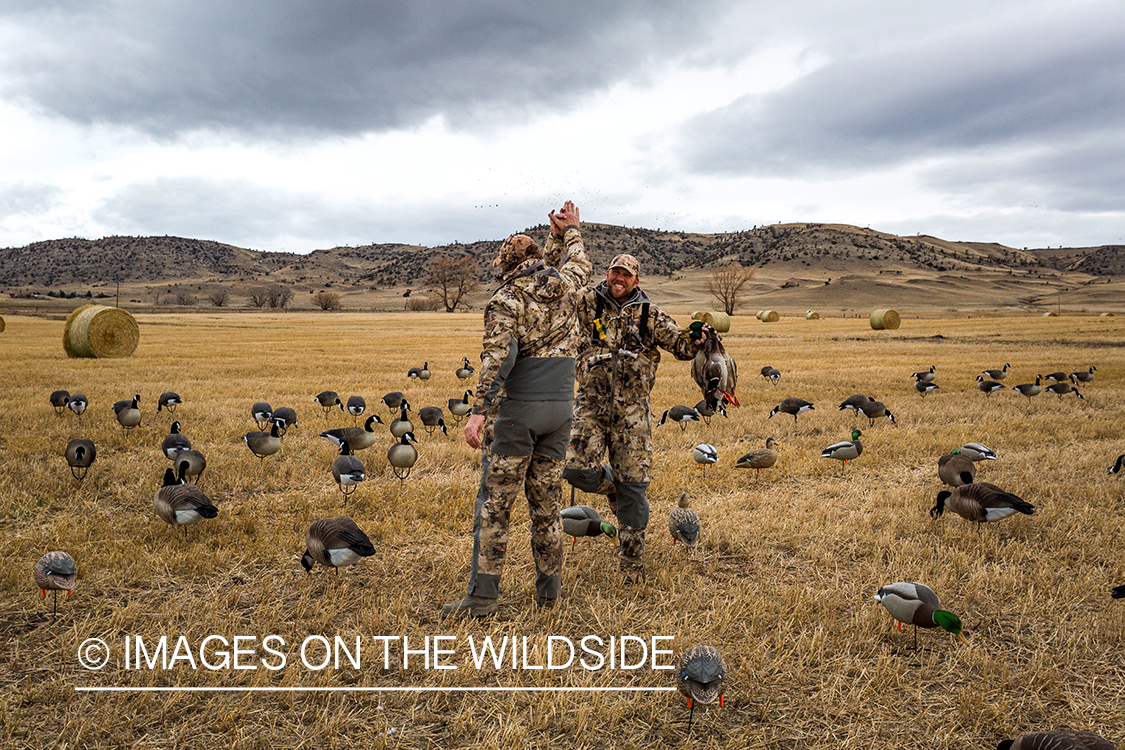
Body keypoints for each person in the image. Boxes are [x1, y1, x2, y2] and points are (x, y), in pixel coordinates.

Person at [442, 201, 592, 617]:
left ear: (506, 263)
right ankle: (549, 595)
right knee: (547, 505)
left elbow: (499, 358)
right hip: (561, 410)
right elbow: (579, 263)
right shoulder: (567, 284)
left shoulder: (505, 299)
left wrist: (478, 411)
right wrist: (568, 231)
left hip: (519, 414)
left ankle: (482, 598)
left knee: (495, 507)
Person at [562, 253, 707, 583]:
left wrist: (699, 338)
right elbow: (555, 305)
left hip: (633, 412)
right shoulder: (585, 303)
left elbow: (681, 346)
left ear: (635, 281)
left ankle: (631, 564)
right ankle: (611, 484)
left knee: (635, 490)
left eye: (626, 274)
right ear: (607, 273)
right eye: (615, 271)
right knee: (574, 469)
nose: (619, 278)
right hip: (590, 407)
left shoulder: (650, 314)